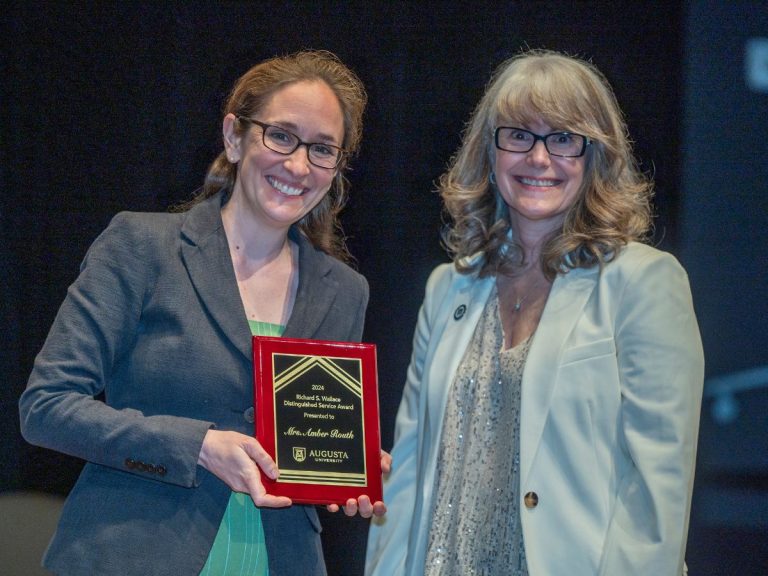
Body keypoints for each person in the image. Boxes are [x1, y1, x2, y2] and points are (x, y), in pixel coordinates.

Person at [19, 49, 386, 576]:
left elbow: (306, 441)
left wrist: (351, 471)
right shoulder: (143, 247)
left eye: (322, 149)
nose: (299, 165)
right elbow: (46, 408)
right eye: (280, 136)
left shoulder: (344, 290)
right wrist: (199, 447)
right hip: (134, 556)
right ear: (235, 137)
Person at [365, 49, 704, 576]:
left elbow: (656, 489)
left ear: (596, 156)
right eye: (519, 135)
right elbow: (407, 470)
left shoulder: (643, 281)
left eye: (564, 138)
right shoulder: (448, 286)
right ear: (491, 151)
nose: (539, 158)